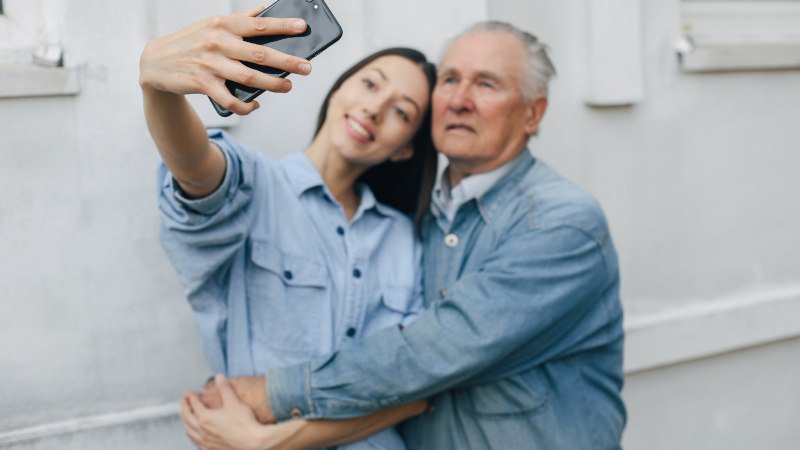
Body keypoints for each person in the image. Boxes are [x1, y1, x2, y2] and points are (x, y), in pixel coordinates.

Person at [193, 20, 627, 450]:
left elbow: (430, 354)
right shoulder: (421, 219)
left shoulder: (560, 223)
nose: (459, 100)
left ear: (533, 113)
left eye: (486, 85)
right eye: (451, 79)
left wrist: (268, 397)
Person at [139, 7, 440, 449]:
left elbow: (413, 390)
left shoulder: (404, 239)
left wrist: (274, 442)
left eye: (402, 112)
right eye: (371, 84)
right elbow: (196, 171)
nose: (375, 108)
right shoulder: (255, 185)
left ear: (404, 151)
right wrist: (159, 88)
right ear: (339, 90)